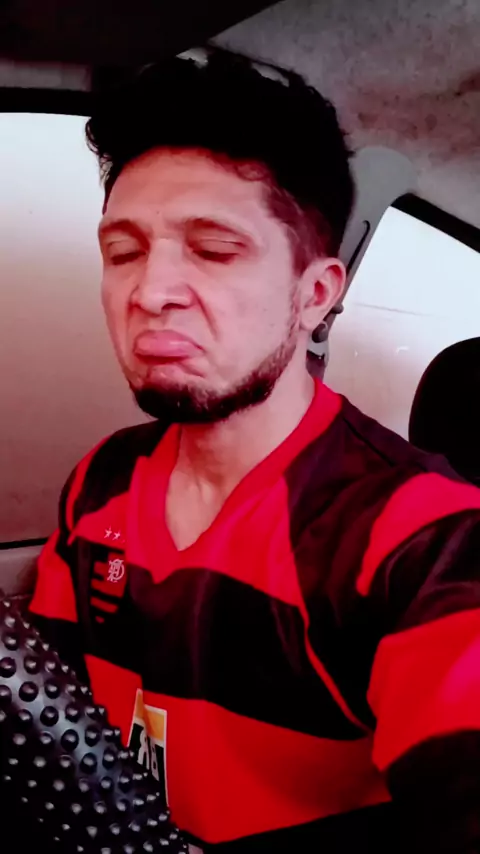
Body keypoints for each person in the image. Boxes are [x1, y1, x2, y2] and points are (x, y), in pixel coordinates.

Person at [30, 46, 480, 854]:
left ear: (316, 295)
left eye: (213, 249)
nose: (149, 292)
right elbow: (45, 724)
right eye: (123, 251)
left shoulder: (419, 537)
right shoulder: (100, 482)